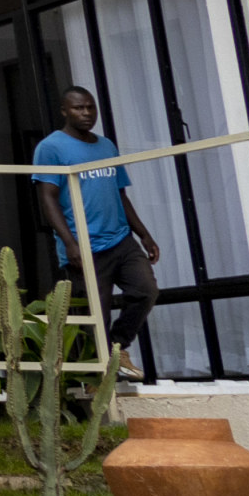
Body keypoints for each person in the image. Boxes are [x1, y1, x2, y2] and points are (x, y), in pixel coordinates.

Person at [30, 86, 161, 384]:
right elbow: (48, 198)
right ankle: (96, 383)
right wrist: (69, 243)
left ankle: (117, 348)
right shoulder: (51, 147)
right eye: (79, 108)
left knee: (145, 290)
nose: (87, 113)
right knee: (96, 317)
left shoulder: (106, 146)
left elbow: (120, 194)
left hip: (121, 240)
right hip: (84, 246)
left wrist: (144, 235)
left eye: (91, 107)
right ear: (64, 111)